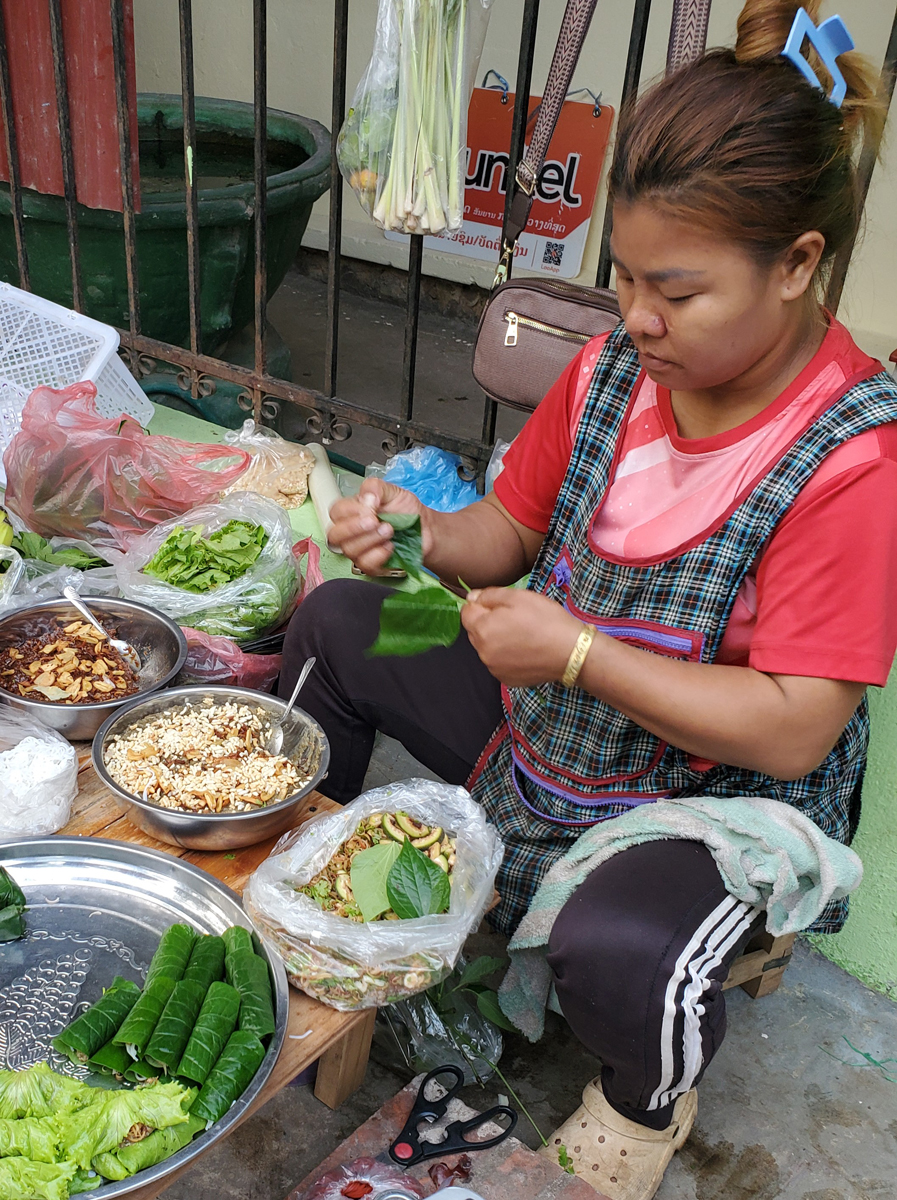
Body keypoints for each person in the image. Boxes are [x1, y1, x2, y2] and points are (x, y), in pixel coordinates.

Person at [280, 2, 897, 1196]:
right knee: (340, 625)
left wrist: (577, 658)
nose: (638, 315)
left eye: (678, 289)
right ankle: (324, 922)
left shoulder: (853, 459)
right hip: (551, 724)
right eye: (622, 274)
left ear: (800, 264)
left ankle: (643, 1102)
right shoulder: (618, 364)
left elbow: (797, 724)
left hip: (711, 795)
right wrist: (420, 535)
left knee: (625, 948)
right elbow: (504, 533)